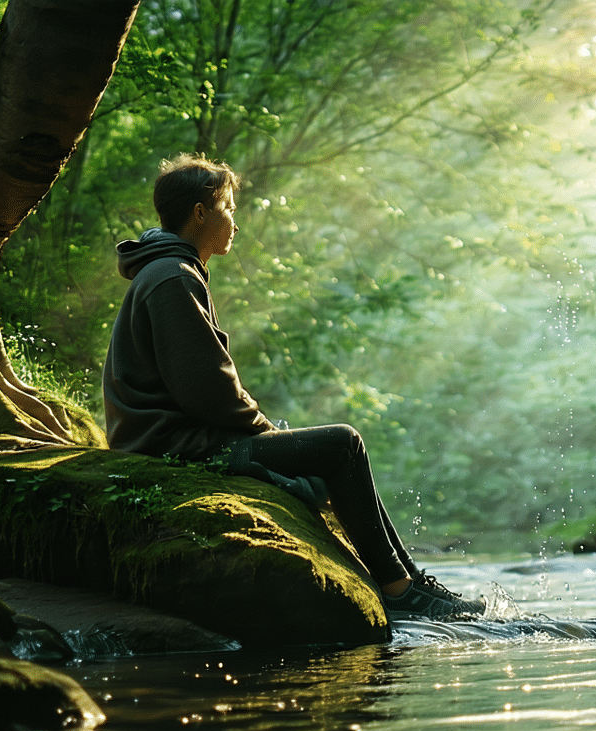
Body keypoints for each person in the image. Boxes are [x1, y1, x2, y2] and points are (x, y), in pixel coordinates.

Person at [102, 153, 484, 622]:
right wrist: (262, 430)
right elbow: (205, 389)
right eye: (229, 209)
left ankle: (409, 579)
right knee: (342, 443)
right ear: (200, 213)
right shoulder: (171, 278)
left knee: (332, 450)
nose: (235, 223)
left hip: (176, 439)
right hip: (176, 446)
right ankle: (400, 588)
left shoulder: (169, 271)